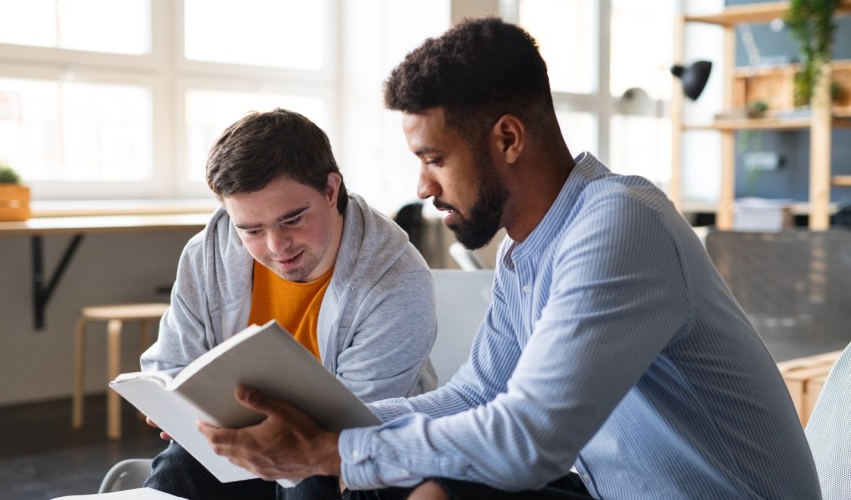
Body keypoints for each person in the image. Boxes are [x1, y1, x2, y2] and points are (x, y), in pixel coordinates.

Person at [198, 18, 821, 499]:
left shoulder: (619, 222)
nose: (422, 186)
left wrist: (332, 448)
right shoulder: (527, 253)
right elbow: (477, 394)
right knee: (380, 475)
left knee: (361, 470)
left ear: (508, 138)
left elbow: (530, 437)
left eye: (434, 158)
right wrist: (325, 420)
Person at [140, 108, 438, 499]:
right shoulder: (207, 254)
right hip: (241, 441)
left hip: (347, 457)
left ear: (331, 191)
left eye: (293, 219)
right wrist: (177, 409)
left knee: (310, 486)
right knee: (178, 468)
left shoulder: (397, 277)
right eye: (252, 230)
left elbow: (357, 422)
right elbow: (172, 363)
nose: (277, 247)